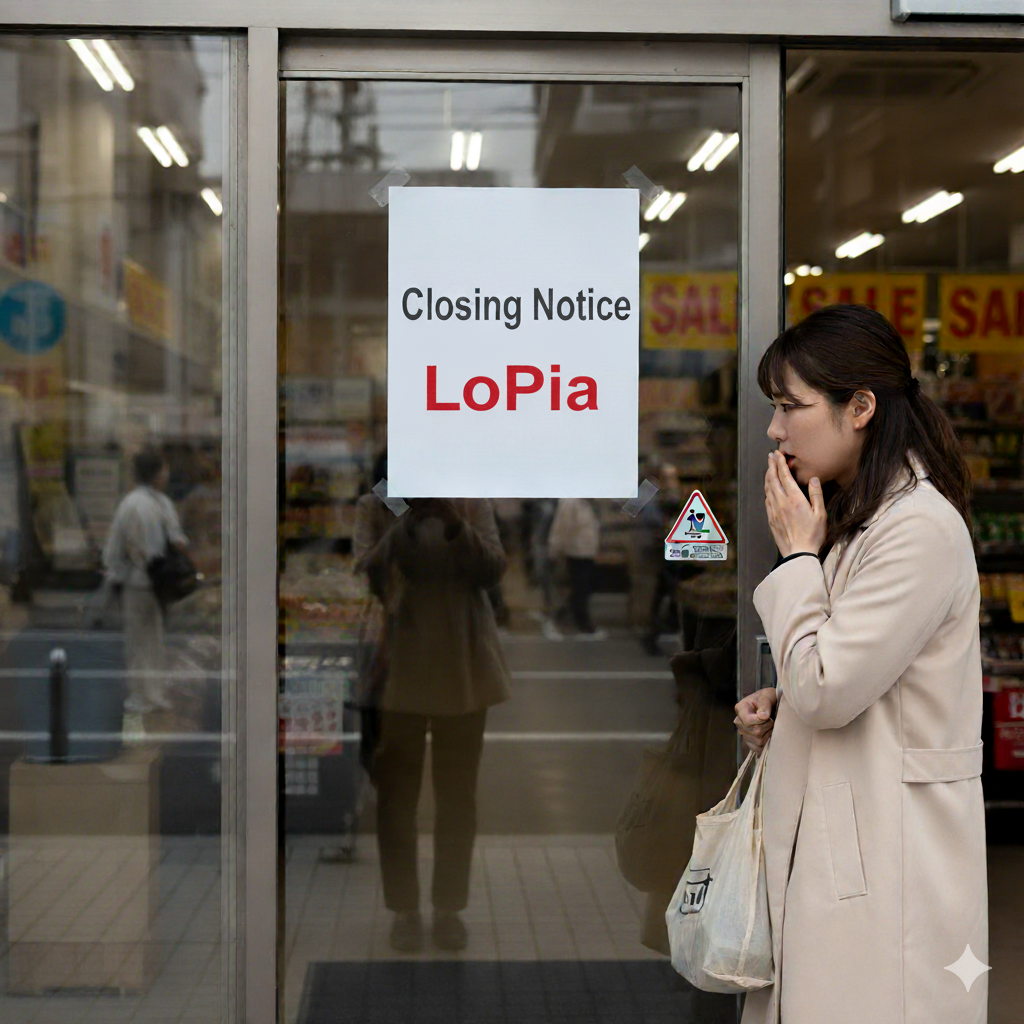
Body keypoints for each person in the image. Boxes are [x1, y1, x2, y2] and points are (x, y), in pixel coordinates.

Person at [734, 305, 985, 1024]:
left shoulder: (917, 530)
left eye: (790, 406)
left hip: (888, 867)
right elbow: (845, 676)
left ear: (862, 407)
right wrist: (784, 705)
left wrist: (798, 559)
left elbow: (830, 689)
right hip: (858, 853)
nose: (776, 429)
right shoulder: (867, 518)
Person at [358, 487, 510, 953]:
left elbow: (493, 570)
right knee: (396, 799)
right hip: (398, 669)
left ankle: (448, 908)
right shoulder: (377, 504)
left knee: (457, 796)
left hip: (464, 665)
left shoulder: (468, 502)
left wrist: (454, 525)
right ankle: (404, 908)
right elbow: (370, 573)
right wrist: (404, 524)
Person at [103, 448, 188, 720]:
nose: (167, 473)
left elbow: (113, 549)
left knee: (137, 640)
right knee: (155, 638)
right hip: (162, 582)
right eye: (164, 469)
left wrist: (113, 573)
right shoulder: (163, 503)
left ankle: (140, 695)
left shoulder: (129, 504)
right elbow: (179, 541)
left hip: (136, 580)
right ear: (156, 473)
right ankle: (156, 694)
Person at [548, 497, 607, 640]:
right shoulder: (570, 502)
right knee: (579, 589)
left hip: (587, 552)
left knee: (582, 589)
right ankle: (581, 624)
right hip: (576, 552)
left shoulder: (586, 503)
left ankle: (567, 618)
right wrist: (555, 549)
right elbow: (562, 528)